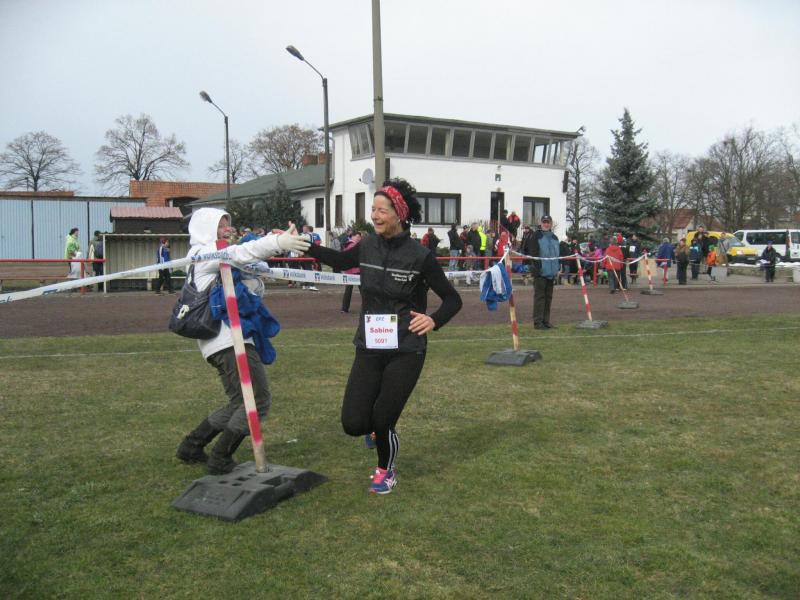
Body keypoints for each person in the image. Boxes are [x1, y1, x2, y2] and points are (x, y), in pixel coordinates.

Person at [303, 178, 462, 495]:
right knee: (353, 423)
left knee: (383, 419)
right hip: (370, 346)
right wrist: (301, 244)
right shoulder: (367, 246)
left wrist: (433, 320)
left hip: (407, 349)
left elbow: (452, 300)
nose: (374, 215)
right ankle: (376, 429)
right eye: (373, 209)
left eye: (381, 210)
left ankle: (385, 470)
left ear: (399, 214)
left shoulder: (420, 256)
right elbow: (339, 261)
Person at [175, 208, 310, 474]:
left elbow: (253, 272)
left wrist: (268, 249)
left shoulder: (214, 255)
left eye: (228, 223)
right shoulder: (205, 253)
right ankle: (221, 457)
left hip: (221, 341)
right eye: (221, 225)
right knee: (257, 400)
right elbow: (240, 253)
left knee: (239, 402)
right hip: (228, 340)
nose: (228, 229)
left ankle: (191, 446)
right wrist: (277, 243)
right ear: (205, 229)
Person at [521, 214, 560, 329]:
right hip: (540, 273)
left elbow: (557, 255)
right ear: (541, 223)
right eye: (544, 222)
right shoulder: (536, 236)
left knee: (548, 298)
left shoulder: (555, 237)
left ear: (551, 223)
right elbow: (533, 254)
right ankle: (538, 322)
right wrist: (538, 269)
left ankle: (546, 321)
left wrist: (557, 269)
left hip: (551, 273)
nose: (546, 224)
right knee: (540, 298)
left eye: (548, 222)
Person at [341, 231, 362, 312]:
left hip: (349, 271)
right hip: (356, 270)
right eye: (358, 237)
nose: (359, 238)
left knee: (348, 290)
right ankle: (368, 307)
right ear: (353, 236)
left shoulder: (347, 244)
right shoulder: (353, 245)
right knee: (363, 290)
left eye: (360, 237)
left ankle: (344, 308)